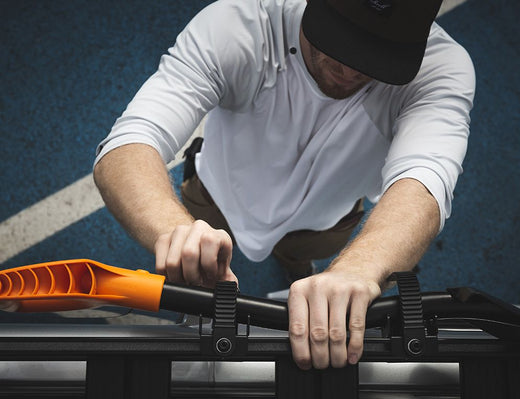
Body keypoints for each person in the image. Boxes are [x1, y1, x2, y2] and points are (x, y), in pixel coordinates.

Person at [93, 0, 475, 370]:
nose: (349, 69)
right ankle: (261, 274)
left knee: (309, 259)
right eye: (338, 42)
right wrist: (173, 230)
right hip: (216, 198)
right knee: (198, 262)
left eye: (377, 55)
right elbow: (129, 142)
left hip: (323, 223)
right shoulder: (238, 24)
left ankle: (300, 269)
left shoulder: (443, 69)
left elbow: (423, 182)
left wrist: (357, 270)